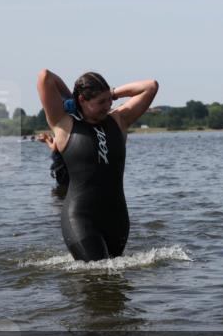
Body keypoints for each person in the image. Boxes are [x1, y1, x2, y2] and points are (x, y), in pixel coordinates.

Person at [37, 69, 159, 261]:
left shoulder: (119, 120)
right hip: (80, 217)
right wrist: (71, 97)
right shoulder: (64, 123)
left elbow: (150, 86)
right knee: (97, 272)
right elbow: (45, 77)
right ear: (83, 100)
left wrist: (113, 92)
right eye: (101, 102)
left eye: (109, 100)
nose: (108, 106)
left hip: (117, 218)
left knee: (114, 280)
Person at [36, 132, 69, 196]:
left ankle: (61, 196)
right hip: (62, 163)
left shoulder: (59, 134)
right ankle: (62, 196)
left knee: (62, 183)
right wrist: (48, 139)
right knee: (62, 183)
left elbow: (54, 148)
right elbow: (55, 144)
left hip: (61, 165)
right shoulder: (61, 134)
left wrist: (46, 140)